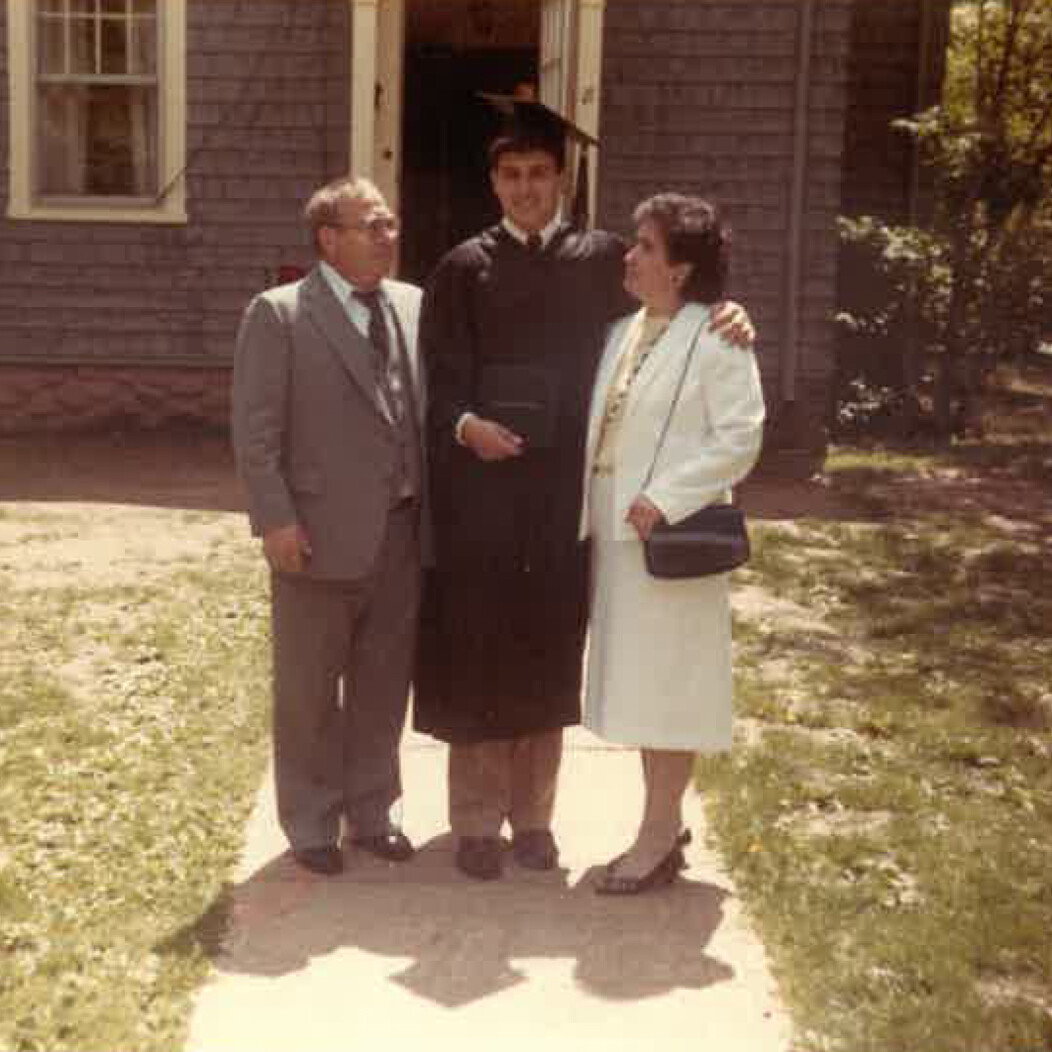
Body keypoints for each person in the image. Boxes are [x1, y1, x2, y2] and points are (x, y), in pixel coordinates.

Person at [413, 99, 753, 882]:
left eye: (538, 173)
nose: (525, 188)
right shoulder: (463, 267)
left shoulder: (603, 260)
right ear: (493, 184)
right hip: (483, 490)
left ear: (561, 178)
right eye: (510, 175)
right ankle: (474, 823)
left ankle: (533, 821)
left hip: (566, 496)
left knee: (544, 648)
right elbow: (439, 381)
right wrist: (468, 428)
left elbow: (675, 311)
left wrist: (727, 312)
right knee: (479, 647)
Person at [231, 176, 425, 876]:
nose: (387, 236)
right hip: (313, 535)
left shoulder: (411, 306)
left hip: (400, 534)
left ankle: (372, 812)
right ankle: (311, 821)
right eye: (371, 225)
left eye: (390, 223)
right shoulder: (280, 314)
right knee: (309, 689)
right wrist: (275, 520)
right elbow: (255, 434)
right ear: (328, 239)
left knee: (381, 685)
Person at [580, 193, 765, 895]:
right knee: (640, 687)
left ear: (682, 269)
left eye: (647, 247)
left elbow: (740, 438)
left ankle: (655, 839)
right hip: (617, 539)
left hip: (671, 538)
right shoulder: (625, 332)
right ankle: (665, 822)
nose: (630, 256)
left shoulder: (717, 336)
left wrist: (667, 496)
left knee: (670, 691)